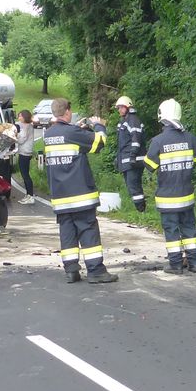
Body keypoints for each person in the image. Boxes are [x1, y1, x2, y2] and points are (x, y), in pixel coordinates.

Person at [43, 97, 116, 284]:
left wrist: (79, 129)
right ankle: (96, 271)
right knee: (88, 230)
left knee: (67, 233)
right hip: (80, 194)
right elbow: (99, 143)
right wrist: (99, 126)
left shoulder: (48, 135)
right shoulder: (73, 132)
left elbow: (70, 139)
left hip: (60, 196)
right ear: (67, 111)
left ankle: (71, 270)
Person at [142, 99, 196, 273]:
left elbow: (149, 165)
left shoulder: (158, 141)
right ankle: (194, 263)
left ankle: (176, 265)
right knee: (189, 230)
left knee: (171, 231)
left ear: (162, 116)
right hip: (186, 196)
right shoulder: (190, 138)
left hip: (167, 198)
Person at [113, 96, 146, 212]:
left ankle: (141, 210)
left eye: (121, 107)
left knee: (133, 185)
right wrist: (118, 159)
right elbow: (122, 144)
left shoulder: (133, 120)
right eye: (118, 108)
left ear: (128, 107)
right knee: (131, 185)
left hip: (134, 159)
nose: (119, 110)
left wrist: (132, 155)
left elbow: (136, 139)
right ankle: (140, 208)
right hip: (127, 159)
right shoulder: (124, 121)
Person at [15, 109, 36, 204]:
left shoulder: (27, 127)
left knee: (25, 175)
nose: (19, 118)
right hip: (24, 152)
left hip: (25, 153)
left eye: (20, 116)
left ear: (25, 117)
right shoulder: (26, 126)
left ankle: (30, 196)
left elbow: (21, 140)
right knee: (25, 175)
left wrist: (15, 136)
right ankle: (28, 195)